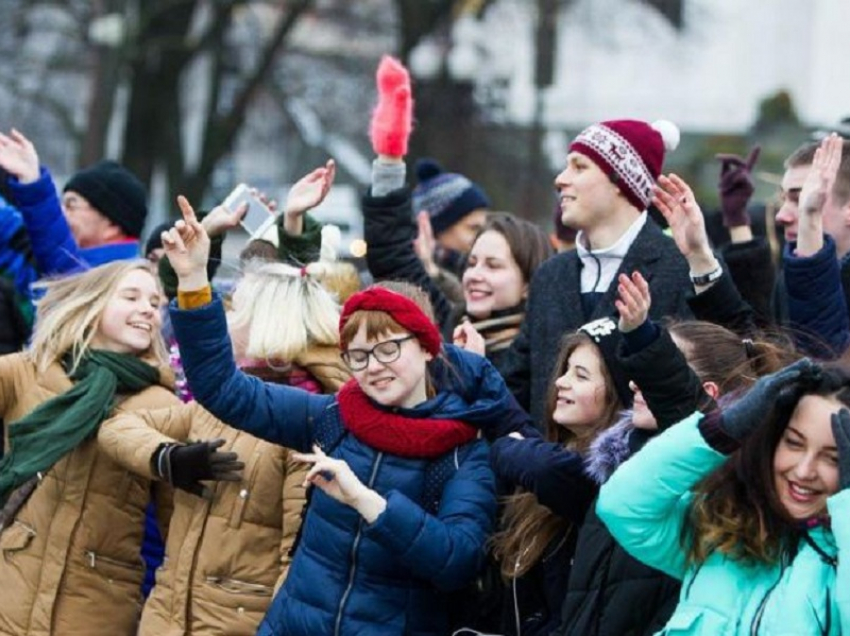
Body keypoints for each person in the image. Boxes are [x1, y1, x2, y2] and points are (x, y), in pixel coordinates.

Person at [160, 195, 533, 635]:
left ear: (428, 346)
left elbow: (456, 560)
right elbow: (221, 388)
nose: (374, 365)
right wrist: (192, 279)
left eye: (389, 347)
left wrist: (366, 501)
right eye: (358, 356)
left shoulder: (463, 450)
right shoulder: (334, 417)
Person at [98, 257, 350, 635]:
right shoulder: (218, 406)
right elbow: (116, 427)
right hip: (168, 617)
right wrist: (167, 457)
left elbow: (297, 566)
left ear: (265, 323)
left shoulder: (308, 425)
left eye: (236, 309)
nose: (228, 321)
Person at [0, 260, 238, 636]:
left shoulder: (165, 406)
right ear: (93, 304)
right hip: (10, 591)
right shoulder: (30, 370)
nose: (148, 308)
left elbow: (181, 529)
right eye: (131, 296)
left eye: (155, 302)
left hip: (98, 609)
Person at [596, 358, 850, 634]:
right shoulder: (723, 525)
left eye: (834, 458)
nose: (803, 471)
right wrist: (719, 431)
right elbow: (623, 507)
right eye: (794, 443)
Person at [362, 56, 553, 374]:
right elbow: (391, 256)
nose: (475, 274)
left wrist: (475, 369)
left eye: (493, 266)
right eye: (473, 262)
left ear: (528, 284)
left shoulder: (538, 355)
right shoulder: (452, 320)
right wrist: (389, 157)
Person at [502, 118, 693, 424]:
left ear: (621, 179)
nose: (560, 180)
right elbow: (516, 388)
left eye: (579, 167)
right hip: (542, 467)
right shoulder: (550, 275)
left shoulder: (681, 269)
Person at [481, 318, 629, 635]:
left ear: (616, 392)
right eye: (565, 371)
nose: (561, 382)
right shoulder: (544, 455)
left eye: (581, 375)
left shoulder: (613, 477)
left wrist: (507, 449)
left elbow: (555, 472)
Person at [0, 130, 149, 273]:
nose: (61, 213)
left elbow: (60, 259)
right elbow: (15, 232)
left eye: (71, 205)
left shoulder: (114, 283)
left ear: (112, 226)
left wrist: (33, 184)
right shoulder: (47, 260)